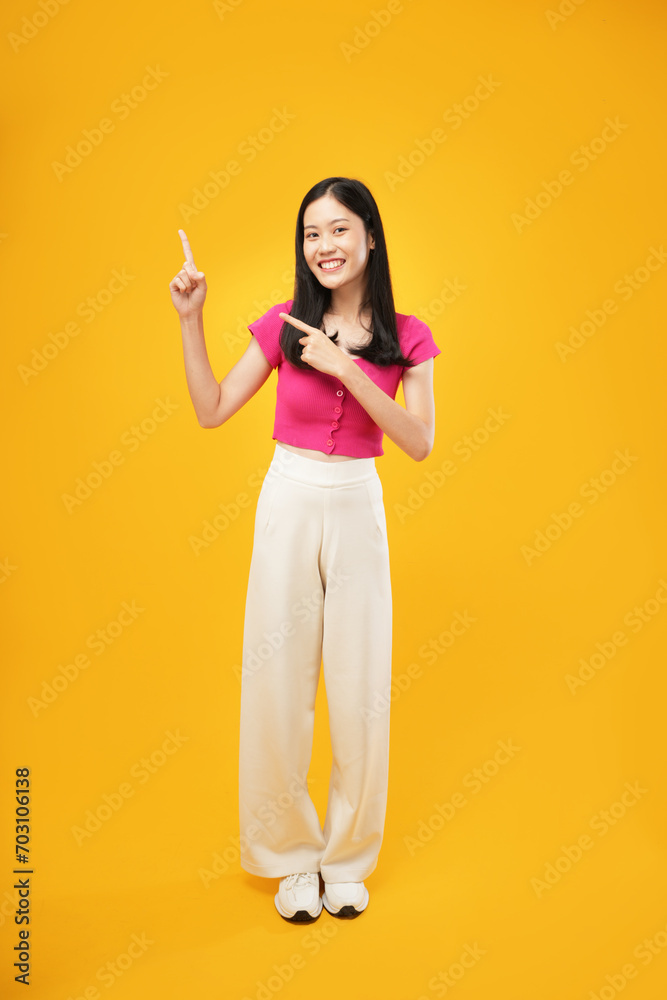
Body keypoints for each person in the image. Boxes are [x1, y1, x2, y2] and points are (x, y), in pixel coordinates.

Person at [169, 176, 441, 923]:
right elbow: (211, 410)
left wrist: (346, 366)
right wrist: (191, 319)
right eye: (311, 234)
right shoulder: (283, 325)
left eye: (338, 230)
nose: (322, 246)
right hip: (288, 496)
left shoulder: (408, 335)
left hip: (357, 500)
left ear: (370, 238)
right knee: (276, 677)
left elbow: (417, 443)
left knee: (359, 686)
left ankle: (346, 859)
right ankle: (289, 858)